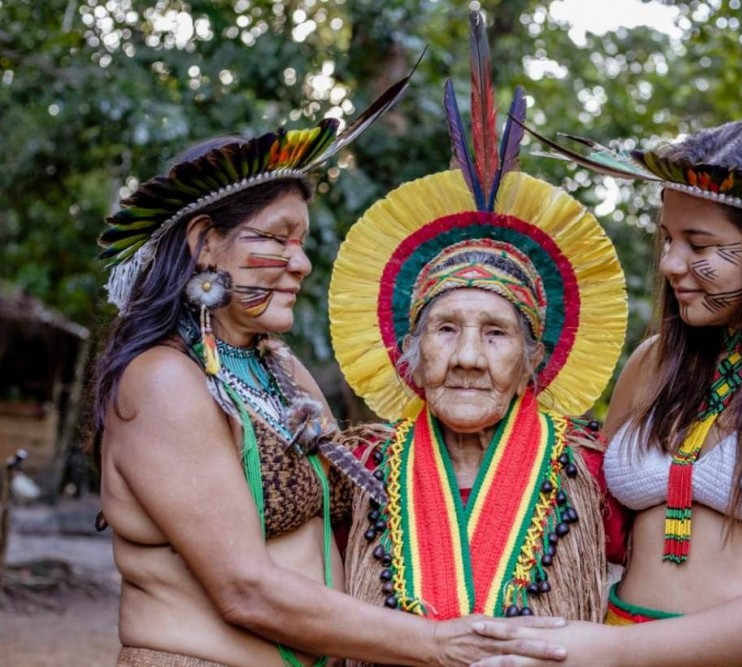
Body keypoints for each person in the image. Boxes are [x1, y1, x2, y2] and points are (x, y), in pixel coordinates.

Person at [92, 69, 566, 667]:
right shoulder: (162, 381)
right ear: (205, 244)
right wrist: (439, 644)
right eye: (279, 240)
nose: (302, 264)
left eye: (303, 242)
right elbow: (244, 589)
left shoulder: (280, 369)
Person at [470, 120, 742, 666]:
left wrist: (615, 652)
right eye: (668, 238)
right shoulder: (653, 361)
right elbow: (587, 528)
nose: (670, 264)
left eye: (698, 244)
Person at [326, 15, 629, 667]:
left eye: (496, 333)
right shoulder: (355, 469)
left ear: (535, 358)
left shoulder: (597, 470)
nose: (466, 357)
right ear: (410, 350)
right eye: (445, 328)